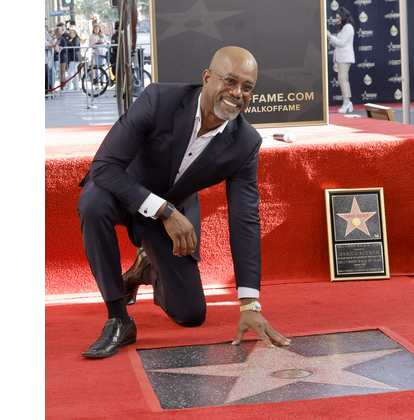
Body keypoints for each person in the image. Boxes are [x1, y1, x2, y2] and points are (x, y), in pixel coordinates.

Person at [76, 46, 290, 359]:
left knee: (191, 314)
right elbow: (103, 167)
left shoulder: (246, 142)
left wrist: (250, 303)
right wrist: (164, 210)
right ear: (207, 77)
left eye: (247, 87)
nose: (237, 93)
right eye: (230, 81)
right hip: (122, 192)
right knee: (93, 202)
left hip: (173, 212)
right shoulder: (159, 99)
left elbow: (245, 219)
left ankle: (143, 270)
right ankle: (119, 320)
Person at [327, 7, 356, 113]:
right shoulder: (344, 28)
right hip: (341, 58)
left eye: (338, 18)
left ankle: (347, 102)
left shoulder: (348, 27)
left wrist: (331, 36)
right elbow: (338, 44)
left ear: (343, 17)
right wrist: (330, 38)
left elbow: (342, 42)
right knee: (342, 79)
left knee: (343, 79)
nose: (337, 20)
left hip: (345, 58)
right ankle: (347, 103)